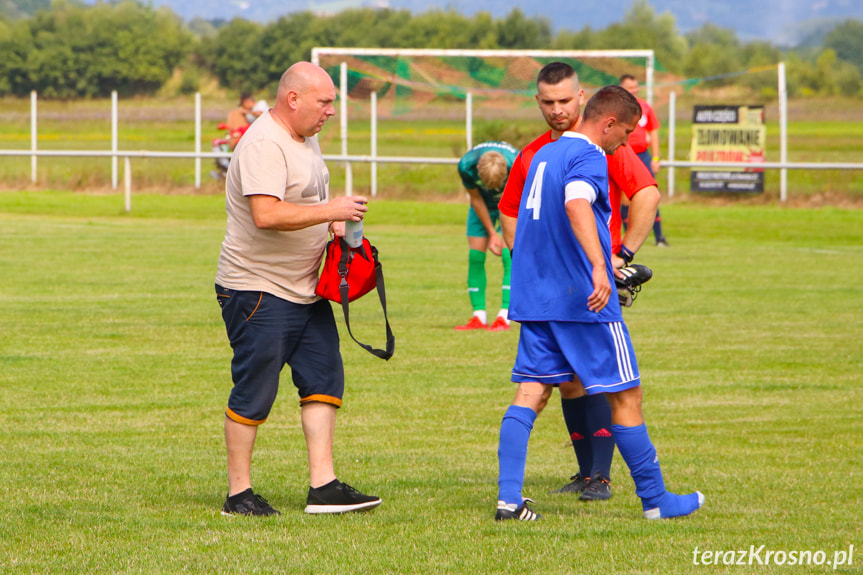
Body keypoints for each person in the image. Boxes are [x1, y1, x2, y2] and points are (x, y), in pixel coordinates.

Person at [494, 85, 703, 521]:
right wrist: (598, 265)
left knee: (530, 394)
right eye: (624, 133)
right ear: (608, 123)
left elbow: (523, 222)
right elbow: (576, 204)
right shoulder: (589, 155)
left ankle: (509, 500)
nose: (624, 144)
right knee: (627, 394)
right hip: (583, 302)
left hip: (537, 300)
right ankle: (656, 500)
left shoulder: (542, 155)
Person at [214, 62, 381, 516]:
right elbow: (266, 214)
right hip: (258, 290)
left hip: (305, 289)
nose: (331, 111)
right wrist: (332, 207)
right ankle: (238, 495)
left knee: (324, 379)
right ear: (294, 99)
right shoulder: (264, 143)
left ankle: (323, 487)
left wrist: (332, 223)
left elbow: (300, 203)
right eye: (324, 102)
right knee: (255, 390)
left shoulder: (304, 138)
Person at [454, 141, 519, 332]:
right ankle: (478, 317)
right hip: (481, 204)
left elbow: (520, 199)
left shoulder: (518, 162)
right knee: (475, 257)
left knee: (509, 255)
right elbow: (475, 198)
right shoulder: (466, 166)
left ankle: (504, 317)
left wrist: (502, 233)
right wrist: (492, 232)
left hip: (512, 203)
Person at [619, 74, 669, 247]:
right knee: (624, 198)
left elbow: (653, 132)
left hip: (643, 155)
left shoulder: (645, 107)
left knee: (651, 194)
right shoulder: (616, 108)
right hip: (623, 154)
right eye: (629, 87)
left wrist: (655, 157)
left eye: (635, 87)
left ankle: (659, 238)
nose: (633, 90)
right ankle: (627, 240)